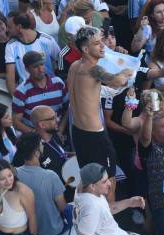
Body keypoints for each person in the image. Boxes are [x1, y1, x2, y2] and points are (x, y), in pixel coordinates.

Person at [67, 26, 133, 204]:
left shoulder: (74, 66)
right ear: (86, 49)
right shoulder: (93, 69)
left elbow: (86, 92)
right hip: (95, 137)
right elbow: (118, 80)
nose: (103, 46)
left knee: (89, 182)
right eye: (97, 43)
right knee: (108, 183)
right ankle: (107, 224)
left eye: (102, 41)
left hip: (78, 133)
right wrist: (127, 70)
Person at [15, 133, 67, 235]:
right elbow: (62, 207)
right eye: (41, 144)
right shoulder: (51, 176)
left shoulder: (15, 175)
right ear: (36, 153)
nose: (43, 145)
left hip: (29, 232)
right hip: (53, 231)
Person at [11, 51, 68, 135]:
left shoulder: (58, 83)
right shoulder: (21, 92)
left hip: (59, 134)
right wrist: (38, 135)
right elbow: (16, 122)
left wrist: (60, 130)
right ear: (27, 69)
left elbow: (67, 109)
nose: (40, 69)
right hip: (36, 139)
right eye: (35, 67)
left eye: (41, 65)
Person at [4, 12, 60, 94]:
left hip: (50, 90)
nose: (7, 30)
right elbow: (10, 75)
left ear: (19, 27)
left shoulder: (47, 40)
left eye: (9, 27)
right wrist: (15, 99)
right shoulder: (10, 46)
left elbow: (60, 61)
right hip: (27, 93)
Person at [24, 105, 69, 177]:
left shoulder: (53, 135)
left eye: (56, 116)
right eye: (53, 118)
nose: (57, 120)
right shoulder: (33, 148)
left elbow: (57, 153)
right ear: (42, 125)